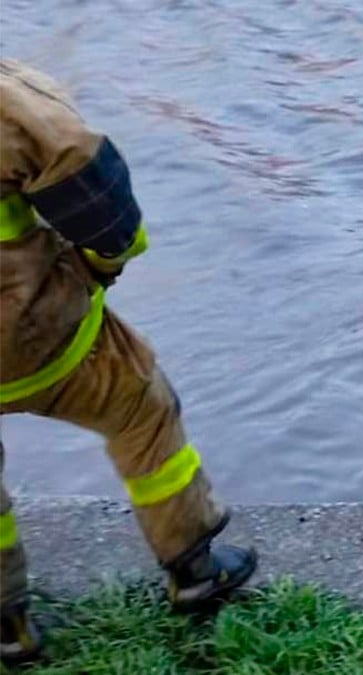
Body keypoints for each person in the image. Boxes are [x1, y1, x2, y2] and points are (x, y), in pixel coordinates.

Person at [0, 60, 256, 662]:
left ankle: (8, 628)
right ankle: (194, 568)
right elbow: (105, 204)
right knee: (142, 409)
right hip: (42, 340)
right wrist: (97, 270)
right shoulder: (11, 101)